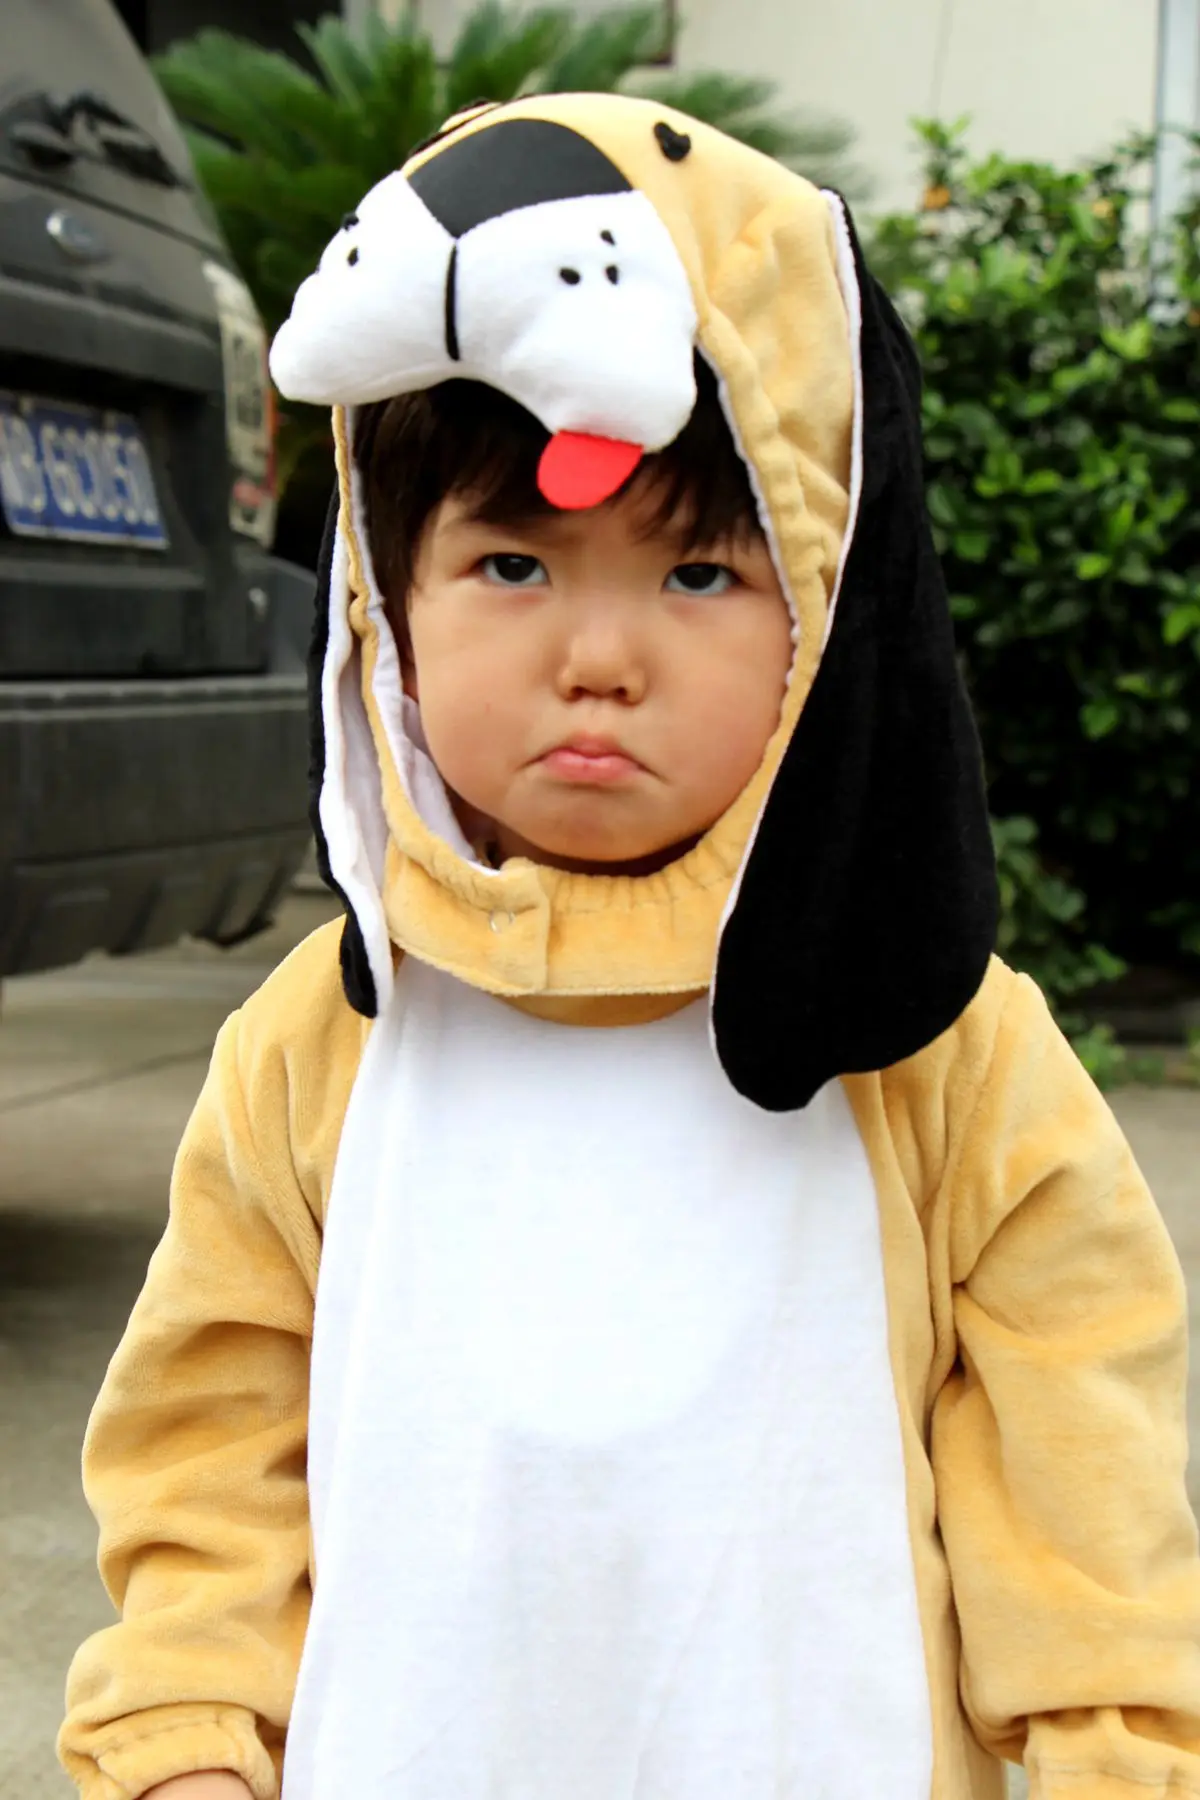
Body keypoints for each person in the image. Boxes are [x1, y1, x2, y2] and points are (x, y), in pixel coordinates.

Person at [59, 94, 1200, 1800]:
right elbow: (212, 1443)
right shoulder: (322, 1045)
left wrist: (1117, 1747)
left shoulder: (940, 1047)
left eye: (700, 577)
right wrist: (186, 1732)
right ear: (384, 603)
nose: (600, 655)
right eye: (514, 563)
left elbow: (1077, 1447)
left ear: (825, 607)